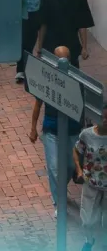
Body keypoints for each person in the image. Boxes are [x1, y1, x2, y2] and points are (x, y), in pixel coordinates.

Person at [29, 45, 83, 211]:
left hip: (73, 130)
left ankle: (60, 190)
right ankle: (58, 204)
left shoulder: (78, 81)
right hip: (52, 129)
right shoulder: (48, 79)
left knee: (69, 166)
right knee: (54, 167)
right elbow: (38, 104)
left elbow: (84, 107)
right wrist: (33, 128)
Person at [35, 0, 93, 69]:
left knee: (73, 74)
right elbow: (43, 24)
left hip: (71, 43)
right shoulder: (47, 0)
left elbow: (82, 25)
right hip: (50, 44)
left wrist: (84, 47)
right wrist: (40, 47)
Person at [12, 0, 51, 82]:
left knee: (31, 40)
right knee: (22, 41)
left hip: (36, 10)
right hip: (21, 12)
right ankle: (21, 69)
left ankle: (26, 67)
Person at [75, 103, 107, 250]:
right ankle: (89, 240)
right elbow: (76, 150)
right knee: (87, 219)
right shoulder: (87, 134)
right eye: (103, 117)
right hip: (91, 183)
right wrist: (79, 170)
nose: (105, 121)